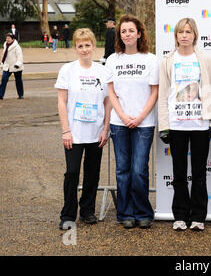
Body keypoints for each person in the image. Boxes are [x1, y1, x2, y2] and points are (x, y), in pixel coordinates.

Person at [158, 18, 211, 231]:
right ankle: (180, 215)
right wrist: (164, 125)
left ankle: (198, 216)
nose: (184, 35)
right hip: (176, 125)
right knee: (179, 171)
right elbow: (164, 94)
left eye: (188, 31)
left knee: (200, 172)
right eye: (180, 32)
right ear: (175, 35)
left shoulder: (204, 59)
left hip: (200, 125)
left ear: (195, 35)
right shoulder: (168, 60)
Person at [105, 14, 159, 229]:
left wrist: (140, 116)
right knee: (123, 169)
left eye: (131, 30)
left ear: (139, 34)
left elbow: (154, 92)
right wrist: (124, 116)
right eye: (123, 31)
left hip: (144, 123)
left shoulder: (150, 59)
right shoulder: (112, 60)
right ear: (120, 35)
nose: (127, 34)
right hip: (120, 122)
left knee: (139, 169)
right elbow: (111, 91)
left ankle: (143, 212)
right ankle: (125, 213)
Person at [54, 28, 111, 230]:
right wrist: (65, 130)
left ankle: (87, 210)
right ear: (76, 48)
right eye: (80, 46)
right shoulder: (67, 70)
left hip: (96, 131)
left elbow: (107, 102)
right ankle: (68, 214)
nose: (84, 49)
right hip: (74, 133)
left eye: (88, 45)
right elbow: (62, 101)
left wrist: (106, 129)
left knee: (92, 172)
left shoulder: (103, 71)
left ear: (94, 46)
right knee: (72, 172)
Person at [0, 33, 24, 100]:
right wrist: (2, 63)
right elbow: (4, 55)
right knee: (4, 80)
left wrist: (18, 64)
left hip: (16, 66)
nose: (7, 39)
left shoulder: (17, 47)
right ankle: (0, 95)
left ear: (13, 39)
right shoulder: (5, 45)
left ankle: (20, 95)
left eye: (9, 38)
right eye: (6, 38)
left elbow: (20, 57)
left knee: (18, 81)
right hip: (7, 66)